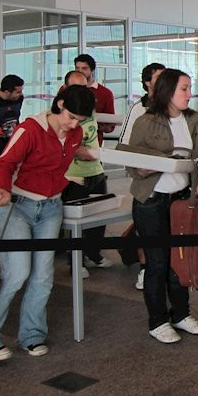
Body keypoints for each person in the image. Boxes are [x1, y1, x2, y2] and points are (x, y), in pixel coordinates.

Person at [0, 85, 95, 361]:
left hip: (51, 208)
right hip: (18, 207)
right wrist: (2, 189)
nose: (72, 124)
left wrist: (81, 153)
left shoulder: (75, 133)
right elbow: (2, 164)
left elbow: (68, 153)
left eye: (79, 120)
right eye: (70, 117)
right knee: (17, 274)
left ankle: (31, 336)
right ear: (58, 104)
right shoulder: (31, 129)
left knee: (43, 277)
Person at [122, 68, 198, 344]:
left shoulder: (193, 119)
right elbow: (131, 162)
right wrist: (145, 169)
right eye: (184, 88)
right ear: (168, 91)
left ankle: (181, 314)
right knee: (157, 263)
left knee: (179, 260)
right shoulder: (147, 121)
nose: (189, 93)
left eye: (189, 87)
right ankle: (157, 320)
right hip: (152, 201)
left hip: (180, 200)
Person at [61, 71, 113, 279]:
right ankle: (75, 260)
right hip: (73, 176)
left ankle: (93, 253)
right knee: (76, 224)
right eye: (76, 87)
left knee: (100, 218)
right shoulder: (61, 114)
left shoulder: (89, 108)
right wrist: (77, 151)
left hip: (96, 171)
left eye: (84, 87)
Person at [119, 62, 165, 290]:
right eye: (158, 78)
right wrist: (139, 170)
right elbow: (124, 144)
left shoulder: (174, 107)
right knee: (143, 227)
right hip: (146, 182)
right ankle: (145, 269)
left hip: (170, 183)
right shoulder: (138, 109)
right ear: (147, 82)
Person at [74, 53, 115, 144]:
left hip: (93, 143)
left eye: (84, 68)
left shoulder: (105, 93)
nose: (80, 71)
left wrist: (94, 123)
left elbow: (111, 126)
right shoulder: (66, 89)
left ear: (92, 70)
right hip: (68, 141)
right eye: (77, 68)